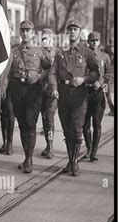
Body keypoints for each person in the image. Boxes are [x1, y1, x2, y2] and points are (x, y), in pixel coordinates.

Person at [49, 20, 99, 176]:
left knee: (77, 129)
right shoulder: (60, 52)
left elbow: (96, 72)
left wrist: (84, 79)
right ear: (67, 32)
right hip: (63, 93)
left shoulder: (86, 52)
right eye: (69, 29)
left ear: (79, 32)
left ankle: (74, 163)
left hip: (79, 94)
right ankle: (71, 161)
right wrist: (55, 88)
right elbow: (52, 73)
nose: (72, 32)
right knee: (66, 129)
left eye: (75, 29)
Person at [9, 20, 51, 174]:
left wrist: (39, 76)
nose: (25, 33)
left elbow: (49, 69)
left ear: (33, 34)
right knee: (21, 123)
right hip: (17, 89)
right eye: (23, 31)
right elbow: (8, 72)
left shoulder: (40, 51)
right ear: (20, 33)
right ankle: (26, 157)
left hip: (33, 90)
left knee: (30, 122)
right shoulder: (13, 51)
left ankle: (29, 159)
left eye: (28, 31)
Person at [82, 32, 112, 161]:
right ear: (88, 42)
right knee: (84, 123)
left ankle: (94, 151)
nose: (94, 42)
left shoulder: (104, 57)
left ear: (99, 42)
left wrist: (101, 82)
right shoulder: (83, 55)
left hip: (98, 93)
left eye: (96, 40)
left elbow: (109, 73)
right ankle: (88, 149)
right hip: (85, 92)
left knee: (97, 123)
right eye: (92, 40)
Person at [40, 28, 59, 159]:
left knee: (50, 116)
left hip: (52, 90)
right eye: (43, 38)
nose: (45, 41)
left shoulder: (58, 52)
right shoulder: (38, 52)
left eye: (47, 38)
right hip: (41, 90)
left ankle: (51, 146)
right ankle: (48, 145)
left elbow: (56, 70)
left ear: (52, 39)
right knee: (44, 117)